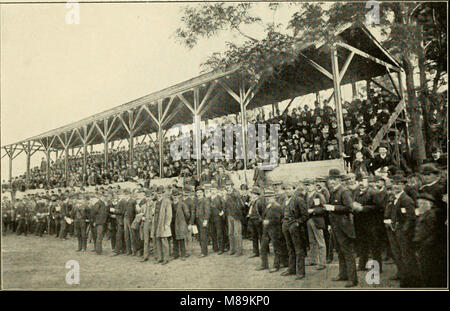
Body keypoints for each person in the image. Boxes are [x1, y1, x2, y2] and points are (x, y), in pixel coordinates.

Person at [413, 163, 447, 287]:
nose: (426, 177)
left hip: (438, 226)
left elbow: (444, 209)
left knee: (436, 260)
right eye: (424, 174)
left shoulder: (441, 188)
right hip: (425, 225)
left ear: (436, 175)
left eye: (429, 174)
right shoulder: (423, 188)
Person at [325, 168, 358, 287]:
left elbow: (350, 208)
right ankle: (343, 274)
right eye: (330, 179)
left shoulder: (344, 191)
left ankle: (352, 279)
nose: (332, 181)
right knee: (340, 251)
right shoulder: (333, 191)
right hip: (336, 226)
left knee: (348, 253)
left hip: (344, 227)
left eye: (334, 179)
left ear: (339, 179)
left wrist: (333, 208)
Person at [352, 175, 384, 273]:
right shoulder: (356, 192)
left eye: (363, 181)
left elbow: (379, 207)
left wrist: (363, 208)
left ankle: (377, 267)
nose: (361, 183)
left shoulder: (374, 192)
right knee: (362, 245)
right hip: (360, 223)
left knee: (374, 246)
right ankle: (362, 265)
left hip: (371, 223)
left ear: (368, 182)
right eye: (359, 181)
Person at [281, 183, 309, 280]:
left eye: (289, 188)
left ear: (294, 189)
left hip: (295, 227)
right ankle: (292, 269)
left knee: (298, 249)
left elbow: (305, 215)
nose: (287, 191)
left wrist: (297, 223)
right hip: (286, 226)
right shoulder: (285, 200)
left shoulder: (299, 200)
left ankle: (301, 272)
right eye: (285, 189)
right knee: (290, 249)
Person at [256, 188, 284, 273]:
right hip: (266, 230)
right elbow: (264, 216)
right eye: (267, 197)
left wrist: (268, 221)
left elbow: (278, 219)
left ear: (274, 197)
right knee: (263, 248)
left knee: (276, 248)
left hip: (275, 230)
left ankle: (276, 266)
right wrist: (262, 220)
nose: (268, 199)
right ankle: (264, 264)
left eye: (270, 197)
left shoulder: (277, 206)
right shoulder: (267, 206)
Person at [304, 178, 327, 270]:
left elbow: (323, 208)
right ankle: (313, 260)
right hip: (309, 220)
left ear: (314, 185)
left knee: (320, 242)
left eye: (309, 184)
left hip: (317, 220)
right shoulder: (306, 196)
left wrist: (313, 210)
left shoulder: (318, 195)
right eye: (306, 185)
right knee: (312, 241)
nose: (308, 187)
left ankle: (322, 262)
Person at [151, 186, 172, 265]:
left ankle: (166, 259)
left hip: (163, 224)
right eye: (158, 193)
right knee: (157, 241)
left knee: (164, 241)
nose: (159, 195)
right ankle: (160, 258)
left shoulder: (167, 201)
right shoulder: (155, 202)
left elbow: (169, 214)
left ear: (163, 193)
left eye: (160, 193)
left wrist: (167, 224)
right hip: (156, 223)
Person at [224, 182, 245, 256]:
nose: (227, 187)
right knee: (230, 233)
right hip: (229, 216)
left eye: (228, 185)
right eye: (226, 185)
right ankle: (232, 249)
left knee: (237, 234)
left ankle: (239, 251)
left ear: (232, 186)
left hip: (236, 216)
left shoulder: (236, 193)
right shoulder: (227, 194)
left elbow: (240, 205)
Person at [171, 187, 190, 260]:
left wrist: (184, 222)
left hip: (180, 224)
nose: (175, 197)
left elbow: (187, 214)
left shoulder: (182, 204)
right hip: (173, 224)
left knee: (181, 239)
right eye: (174, 196)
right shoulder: (171, 204)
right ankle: (175, 254)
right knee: (174, 239)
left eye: (176, 195)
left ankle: (183, 254)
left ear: (179, 196)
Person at [247, 186, 265, 258]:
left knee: (261, 236)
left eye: (253, 194)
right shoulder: (252, 201)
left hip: (257, 221)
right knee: (254, 236)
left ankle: (263, 251)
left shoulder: (259, 202)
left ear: (256, 194)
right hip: (252, 220)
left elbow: (262, 212)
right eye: (252, 194)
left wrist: (261, 220)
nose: (251, 195)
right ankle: (255, 252)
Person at [195, 186, 210, 257]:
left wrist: (205, 220)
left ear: (203, 193)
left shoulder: (205, 200)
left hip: (202, 221)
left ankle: (204, 252)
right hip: (197, 221)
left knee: (203, 237)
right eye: (197, 192)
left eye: (200, 192)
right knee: (199, 236)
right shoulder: (196, 200)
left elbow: (207, 212)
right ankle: (202, 251)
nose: (198, 194)